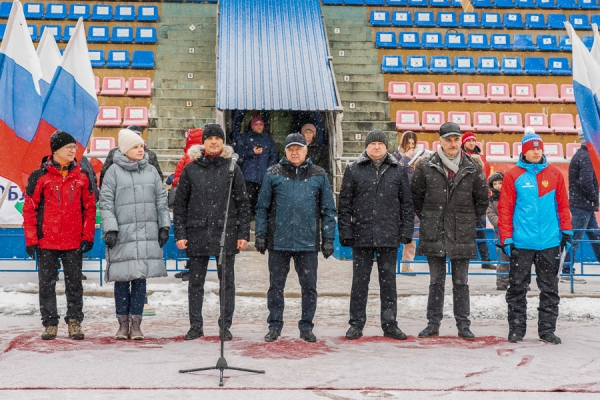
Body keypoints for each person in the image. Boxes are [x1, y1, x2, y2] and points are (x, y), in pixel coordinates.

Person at [255, 133, 336, 343]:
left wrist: (328, 238)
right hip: (278, 242)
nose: (294, 152)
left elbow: (328, 209)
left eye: (298, 148)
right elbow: (262, 207)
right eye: (290, 149)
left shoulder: (319, 174)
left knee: (309, 287)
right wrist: (261, 234)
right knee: (275, 287)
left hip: (307, 243)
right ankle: (274, 326)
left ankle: (306, 326)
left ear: (306, 150)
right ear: (285, 151)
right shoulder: (273, 173)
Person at [411, 122, 489, 340]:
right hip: (434, 231)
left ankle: (463, 325)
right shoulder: (425, 166)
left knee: (461, 282)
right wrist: (432, 218)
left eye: (456, 139)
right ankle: (432, 324)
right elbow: (416, 199)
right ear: (440, 141)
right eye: (448, 140)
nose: (453, 144)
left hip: (462, 233)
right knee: (436, 281)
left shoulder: (473, 167)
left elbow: (481, 201)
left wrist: (464, 220)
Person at [173, 124, 251, 341]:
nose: (214, 142)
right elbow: (180, 205)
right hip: (197, 233)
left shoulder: (232, 168)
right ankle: (195, 325)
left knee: (227, 283)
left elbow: (243, 203)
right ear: (204, 142)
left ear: (223, 142)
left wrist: (243, 234)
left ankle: (225, 326)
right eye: (210, 138)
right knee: (195, 283)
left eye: (218, 138)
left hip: (225, 233)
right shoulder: (191, 169)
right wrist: (180, 233)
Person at [498, 130, 572, 344]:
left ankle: (547, 330)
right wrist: (507, 238)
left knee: (549, 289)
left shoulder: (555, 174)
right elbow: (505, 209)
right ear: (524, 152)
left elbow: (563, 206)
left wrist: (567, 231)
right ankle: (516, 329)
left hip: (549, 242)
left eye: (539, 148)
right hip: (521, 243)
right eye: (532, 149)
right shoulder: (513, 175)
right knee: (517, 289)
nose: (536, 152)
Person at [338, 130, 414, 340]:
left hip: (389, 236)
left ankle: (390, 325)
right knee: (359, 283)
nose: (377, 147)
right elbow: (344, 205)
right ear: (366, 146)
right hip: (361, 235)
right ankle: (356, 324)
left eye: (381, 143)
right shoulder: (353, 169)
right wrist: (345, 231)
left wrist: (406, 230)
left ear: (386, 146)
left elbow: (407, 204)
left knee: (388, 283)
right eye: (373, 144)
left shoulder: (398, 170)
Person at [23, 130, 96, 340]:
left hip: (73, 241)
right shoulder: (39, 176)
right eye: (69, 147)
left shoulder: (82, 176)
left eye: (74, 147)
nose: (73, 151)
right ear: (56, 151)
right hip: (46, 242)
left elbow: (90, 208)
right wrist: (31, 240)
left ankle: (74, 321)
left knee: (75, 284)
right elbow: (29, 209)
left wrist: (88, 235)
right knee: (47, 285)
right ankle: (50, 323)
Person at [100, 128, 170, 340]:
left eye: (142, 146)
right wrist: (111, 228)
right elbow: (106, 202)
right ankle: (123, 324)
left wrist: (164, 226)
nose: (141, 150)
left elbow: (161, 200)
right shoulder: (113, 172)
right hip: (123, 234)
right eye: (136, 146)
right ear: (125, 149)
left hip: (146, 233)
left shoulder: (151, 171)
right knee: (122, 278)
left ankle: (136, 323)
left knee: (140, 279)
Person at [171, 128, 204, 282]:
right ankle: (191, 268)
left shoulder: (190, 156)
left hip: (189, 203)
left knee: (190, 238)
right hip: (195, 203)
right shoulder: (198, 156)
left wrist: (174, 181)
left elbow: (183, 178)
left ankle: (192, 269)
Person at [566, 129, 597, 284]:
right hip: (582, 205)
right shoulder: (586, 156)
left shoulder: (583, 155)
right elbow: (586, 182)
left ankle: (565, 269)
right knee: (576, 238)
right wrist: (595, 197)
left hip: (584, 204)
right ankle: (566, 271)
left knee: (595, 236)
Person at [461, 131, 494, 270]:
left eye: (473, 140)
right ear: (464, 143)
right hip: (464, 199)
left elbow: (486, 177)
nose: (471, 143)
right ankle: (463, 260)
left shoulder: (482, 158)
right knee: (464, 231)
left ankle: (485, 259)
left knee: (481, 230)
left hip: (479, 199)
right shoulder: (460, 156)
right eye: (468, 140)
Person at [234, 114, 278, 215]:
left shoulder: (268, 139)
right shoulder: (244, 138)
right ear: (252, 126)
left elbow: (273, 156)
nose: (259, 127)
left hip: (264, 176)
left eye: (261, 125)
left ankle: (260, 218)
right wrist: (251, 152)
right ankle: (247, 218)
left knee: (263, 201)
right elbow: (238, 155)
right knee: (247, 200)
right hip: (248, 176)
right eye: (257, 124)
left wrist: (269, 170)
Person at [99, 125, 163, 187]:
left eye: (137, 135)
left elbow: (158, 179)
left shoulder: (150, 155)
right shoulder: (114, 154)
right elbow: (105, 178)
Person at [392, 130, 420, 276]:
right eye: (408, 143)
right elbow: (394, 174)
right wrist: (406, 158)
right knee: (393, 233)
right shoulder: (395, 158)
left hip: (412, 202)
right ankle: (389, 262)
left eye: (413, 143)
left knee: (412, 235)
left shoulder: (417, 159)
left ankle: (406, 264)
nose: (411, 146)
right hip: (397, 202)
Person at [486, 172, 510, 290]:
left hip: (515, 231)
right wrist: (501, 222)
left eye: (500, 183)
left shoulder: (512, 196)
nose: (498, 186)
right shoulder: (491, 200)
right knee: (502, 258)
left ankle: (519, 281)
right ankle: (502, 281)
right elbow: (491, 214)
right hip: (500, 232)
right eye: (495, 184)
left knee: (519, 258)